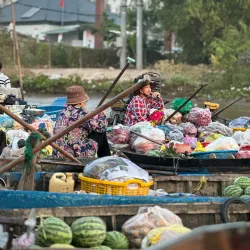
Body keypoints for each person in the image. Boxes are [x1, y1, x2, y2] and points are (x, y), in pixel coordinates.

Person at [53, 85, 111, 159]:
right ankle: (106, 159)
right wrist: (102, 115)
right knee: (100, 132)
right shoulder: (81, 113)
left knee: (92, 129)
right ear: (81, 102)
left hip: (58, 153)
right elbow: (102, 127)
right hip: (76, 155)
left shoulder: (63, 112)